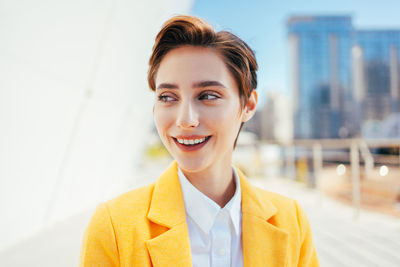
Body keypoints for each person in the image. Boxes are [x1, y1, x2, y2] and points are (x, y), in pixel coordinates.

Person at [80, 15, 319, 267]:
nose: (186, 120)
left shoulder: (292, 221)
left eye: (207, 95)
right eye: (168, 97)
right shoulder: (114, 227)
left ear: (248, 105)